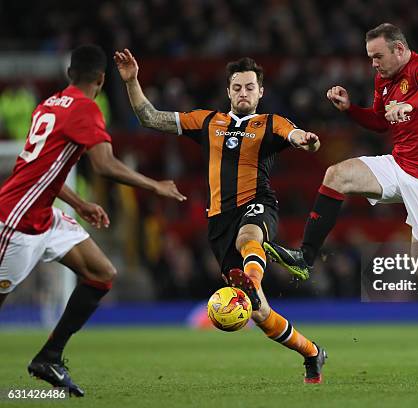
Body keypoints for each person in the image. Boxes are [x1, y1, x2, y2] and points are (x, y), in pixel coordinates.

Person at [264, 23, 418, 344]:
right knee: (335, 176)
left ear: (398, 49)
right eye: (370, 57)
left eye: (377, 56)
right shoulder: (383, 79)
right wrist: (350, 110)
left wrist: (409, 104)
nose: (373, 64)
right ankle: (305, 258)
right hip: (399, 165)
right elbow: (381, 122)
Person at [114, 50, 327, 383]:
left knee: (249, 239)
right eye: (237, 87)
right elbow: (149, 118)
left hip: (259, 204)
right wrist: (132, 82)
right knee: (260, 313)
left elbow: (299, 137)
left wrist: (306, 140)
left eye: (249, 87)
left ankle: (252, 282)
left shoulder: (271, 123)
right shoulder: (207, 121)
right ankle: (312, 352)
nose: (243, 93)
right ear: (229, 92)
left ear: (260, 92)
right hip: (218, 223)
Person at [0, 45, 186, 397]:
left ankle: (49, 357)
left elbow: (36, 170)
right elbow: (104, 165)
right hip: (17, 222)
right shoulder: (86, 108)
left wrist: (80, 202)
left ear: (71, 74)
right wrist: (154, 185)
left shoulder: (48, 105)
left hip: (44, 215)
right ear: (101, 80)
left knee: (102, 273)